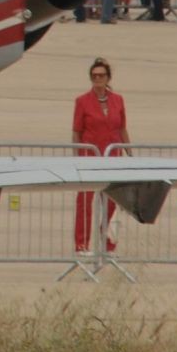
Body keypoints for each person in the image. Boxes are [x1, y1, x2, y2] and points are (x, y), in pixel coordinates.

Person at [72, 58, 130, 252]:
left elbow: (122, 128)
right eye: (94, 76)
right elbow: (76, 131)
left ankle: (108, 243)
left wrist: (130, 153)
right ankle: (81, 244)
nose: (98, 79)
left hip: (113, 157)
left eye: (101, 75)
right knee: (85, 203)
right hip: (90, 157)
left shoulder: (118, 100)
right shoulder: (82, 101)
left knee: (113, 201)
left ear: (108, 78)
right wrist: (76, 156)